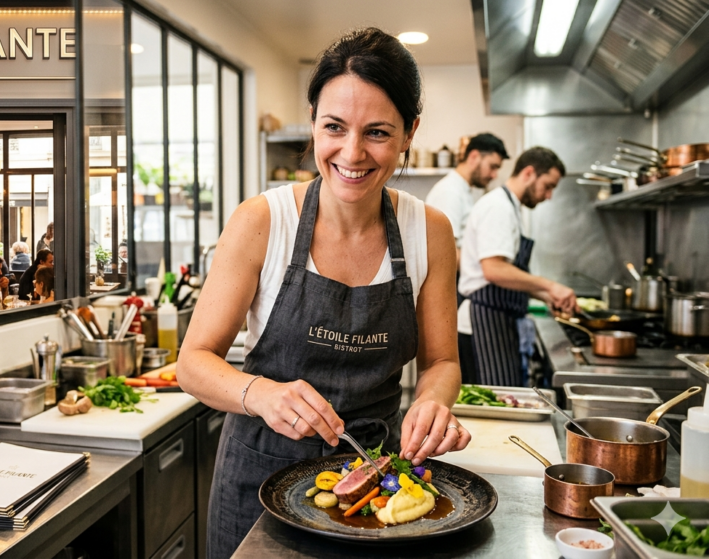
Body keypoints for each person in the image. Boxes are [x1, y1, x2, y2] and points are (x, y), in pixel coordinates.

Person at [175, 28, 470, 558]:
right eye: (334, 127)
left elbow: (443, 359)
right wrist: (261, 394)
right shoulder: (263, 221)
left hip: (378, 480)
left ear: (410, 133)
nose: (352, 153)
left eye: (378, 132)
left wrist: (432, 402)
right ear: (313, 123)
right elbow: (193, 363)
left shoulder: (431, 232)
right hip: (259, 480)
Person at [458, 147, 577, 387]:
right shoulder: (498, 208)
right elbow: (494, 270)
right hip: (483, 323)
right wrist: (552, 285)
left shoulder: (509, 207)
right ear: (529, 173)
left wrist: (546, 296)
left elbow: (510, 275)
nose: (549, 195)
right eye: (549, 185)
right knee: (492, 407)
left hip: (496, 319)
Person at [425, 133, 509, 266]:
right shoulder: (449, 191)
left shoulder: (465, 190)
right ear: (474, 156)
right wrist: (486, 267)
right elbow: (442, 253)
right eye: (492, 167)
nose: (494, 175)